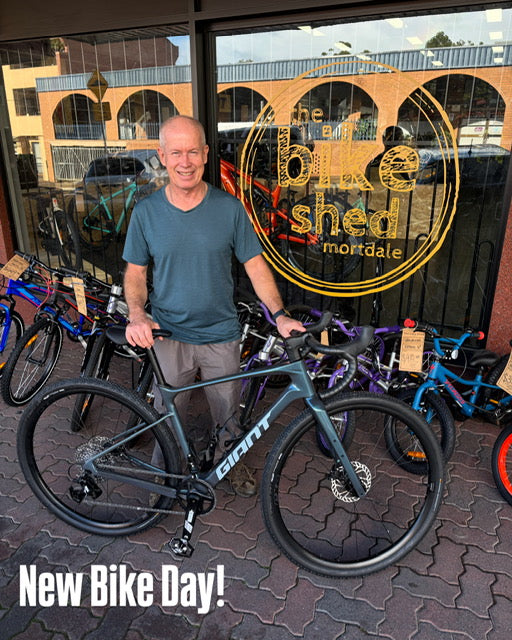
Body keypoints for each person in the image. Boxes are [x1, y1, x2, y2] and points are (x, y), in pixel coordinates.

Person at [122, 115, 304, 497]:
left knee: (227, 413)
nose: (185, 161)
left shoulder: (229, 209)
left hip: (221, 333)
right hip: (168, 335)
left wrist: (279, 315)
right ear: (162, 156)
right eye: (176, 152)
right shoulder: (146, 212)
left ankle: (228, 463)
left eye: (193, 151)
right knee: (167, 415)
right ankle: (164, 472)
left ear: (206, 154)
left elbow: (255, 266)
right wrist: (137, 315)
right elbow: (135, 273)